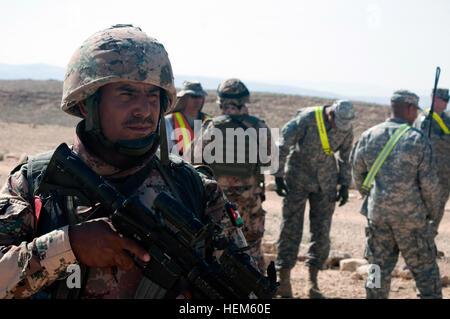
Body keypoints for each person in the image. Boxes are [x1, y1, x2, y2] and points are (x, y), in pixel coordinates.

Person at [0, 25, 253, 299]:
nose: (144, 110)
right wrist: (67, 245)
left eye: (153, 96)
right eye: (127, 93)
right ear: (87, 104)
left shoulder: (196, 189)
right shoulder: (35, 182)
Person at [351, 90, 442, 299]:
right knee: (426, 272)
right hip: (411, 220)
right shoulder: (417, 139)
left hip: (378, 215)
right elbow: (430, 186)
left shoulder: (369, 135)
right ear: (410, 109)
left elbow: (357, 173)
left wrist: (372, 196)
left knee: (376, 269)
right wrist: (431, 214)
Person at [273, 100, 355, 298]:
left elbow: (346, 156)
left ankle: (313, 281)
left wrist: (344, 184)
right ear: (330, 114)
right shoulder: (307, 118)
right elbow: (283, 144)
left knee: (322, 231)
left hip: (326, 182)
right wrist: (278, 175)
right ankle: (284, 280)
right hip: (297, 178)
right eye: (336, 123)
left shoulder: (346, 125)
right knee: (291, 228)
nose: (339, 128)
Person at [192, 78, 271, 273]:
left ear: (220, 102)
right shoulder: (258, 126)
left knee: (218, 246)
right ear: (245, 101)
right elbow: (269, 160)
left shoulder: (210, 126)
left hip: (219, 199)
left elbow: (195, 159)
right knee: (252, 246)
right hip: (249, 198)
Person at [414, 88, 450, 249]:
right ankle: (420, 246)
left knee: (439, 209)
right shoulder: (425, 119)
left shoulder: (446, 119)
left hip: (445, 175)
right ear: (434, 99)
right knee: (425, 209)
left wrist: (444, 139)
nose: (446, 102)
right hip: (429, 174)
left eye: (447, 99)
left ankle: (429, 243)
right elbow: (428, 142)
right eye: (444, 99)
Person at [164, 80, 210, 156]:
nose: (198, 100)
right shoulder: (169, 121)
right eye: (193, 96)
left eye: (200, 97)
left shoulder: (209, 120)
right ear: (184, 98)